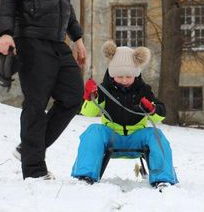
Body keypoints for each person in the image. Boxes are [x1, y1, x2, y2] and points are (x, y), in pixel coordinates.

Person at [0, 0, 87, 179]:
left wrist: (78, 37)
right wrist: (6, 32)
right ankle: (34, 170)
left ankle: (29, 149)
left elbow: (65, 4)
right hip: (31, 40)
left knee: (73, 96)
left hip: (56, 41)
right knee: (36, 104)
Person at [71, 41, 178, 189]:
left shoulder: (144, 90)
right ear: (112, 73)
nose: (124, 80)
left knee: (156, 134)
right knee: (93, 131)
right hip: (112, 137)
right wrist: (90, 98)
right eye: (120, 76)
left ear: (136, 74)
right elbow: (88, 112)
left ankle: (163, 178)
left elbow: (160, 115)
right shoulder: (104, 90)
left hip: (137, 137)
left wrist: (152, 109)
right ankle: (85, 175)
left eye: (129, 76)